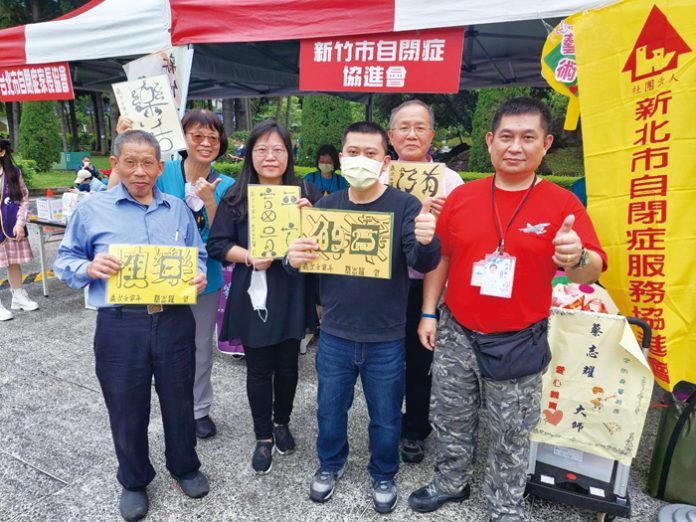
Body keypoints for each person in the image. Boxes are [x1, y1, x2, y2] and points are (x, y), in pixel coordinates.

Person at [408, 97, 607, 521]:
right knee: (450, 415)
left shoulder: (562, 205)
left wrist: (575, 256)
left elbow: (590, 271)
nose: (515, 147)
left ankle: (505, 504)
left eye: (528, 138)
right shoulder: (463, 197)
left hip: (518, 338)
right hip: (457, 329)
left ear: (546, 144)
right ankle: (451, 481)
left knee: (511, 430)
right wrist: (428, 311)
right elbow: (443, 257)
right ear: (489, 141)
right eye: (506, 136)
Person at [53, 130, 210, 521]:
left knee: (179, 399)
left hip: (173, 318)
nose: (139, 171)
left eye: (147, 163)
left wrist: (199, 274)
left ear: (160, 167)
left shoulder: (177, 209)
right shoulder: (93, 209)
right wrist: (88, 267)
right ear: (115, 164)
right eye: (130, 162)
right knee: (125, 406)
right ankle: (134, 479)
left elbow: (198, 254)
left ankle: (185, 466)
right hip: (120, 322)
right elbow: (65, 261)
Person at [286, 121, 441, 514]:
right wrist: (292, 257)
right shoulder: (326, 207)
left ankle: (384, 472)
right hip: (335, 334)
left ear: (385, 162)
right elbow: (300, 266)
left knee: (386, 416)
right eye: (353, 152)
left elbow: (422, 260)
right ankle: (330, 464)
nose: (361, 160)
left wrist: (427, 239)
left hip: (386, 337)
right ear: (341, 158)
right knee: (329, 409)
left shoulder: (405, 206)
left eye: (370, 154)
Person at [113, 109, 235, 440]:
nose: (206, 142)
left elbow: (225, 238)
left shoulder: (227, 185)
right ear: (183, 138)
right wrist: (123, 140)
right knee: (155, 349)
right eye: (197, 135)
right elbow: (116, 194)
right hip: (155, 279)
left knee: (199, 348)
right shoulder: (161, 170)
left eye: (213, 137)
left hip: (203, 280)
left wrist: (210, 202)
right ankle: (170, 408)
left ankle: (199, 410)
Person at [207, 120, 321, 475]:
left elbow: (324, 244)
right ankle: (263, 436)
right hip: (254, 292)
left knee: (289, 364)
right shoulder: (236, 196)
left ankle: (282, 422)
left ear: (289, 154)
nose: (270, 157)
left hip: (292, 291)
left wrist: (312, 218)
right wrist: (248, 256)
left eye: (278, 149)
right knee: (258, 369)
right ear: (250, 155)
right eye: (261, 150)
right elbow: (217, 245)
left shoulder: (307, 192)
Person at [384, 99, 464, 464]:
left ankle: (415, 429)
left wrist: (448, 219)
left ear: (432, 135)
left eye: (420, 127)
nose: (411, 134)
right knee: (383, 362)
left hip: (425, 287)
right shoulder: (377, 173)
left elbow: (456, 244)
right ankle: (385, 424)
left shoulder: (450, 181)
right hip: (383, 286)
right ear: (391, 136)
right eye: (404, 127)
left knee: (420, 363)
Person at [0, 137, 39, 321]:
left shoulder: (14, 173)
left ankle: (18, 296)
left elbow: (24, 198)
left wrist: (20, 222)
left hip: (11, 226)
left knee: (14, 262)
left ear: (2, 152)